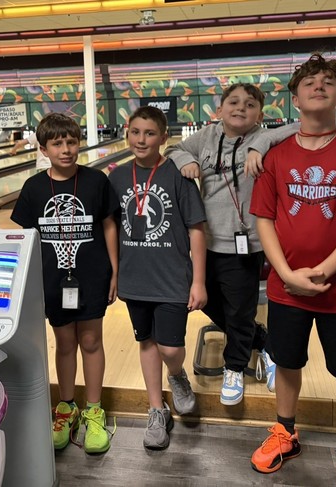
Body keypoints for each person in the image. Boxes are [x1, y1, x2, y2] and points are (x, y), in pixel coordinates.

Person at [249, 52, 336, 486]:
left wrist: (323, 270)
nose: (319, 86)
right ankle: (285, 433)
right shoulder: (276, 155)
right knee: (286, 363)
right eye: (310, 82)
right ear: (295, 99)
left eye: (328, 82)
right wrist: (286, 274)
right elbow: (264, 219)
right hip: (285, 286)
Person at [165, 83, 300, 403]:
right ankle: (265, 342)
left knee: (240, 311)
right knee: (208, 302)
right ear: (220, 109)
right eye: (234, 102)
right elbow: (172, 150)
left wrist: (263, 140)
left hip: (246, 244)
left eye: (250, 104)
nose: (241, 108)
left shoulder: (262, 137)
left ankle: (235, 367)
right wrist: (185, 158)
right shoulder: (208, 136)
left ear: (260, 114)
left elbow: (300, 125)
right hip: (205, 243)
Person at [11, 112, 119, 454]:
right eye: (57, 143)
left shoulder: (96, 181)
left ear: (79, 142)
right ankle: (67, 407)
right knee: (65, 343)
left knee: (91, 340)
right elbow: (25, 237)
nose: (66, 149)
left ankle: (94, 409)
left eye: (71, 141)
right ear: (43, 148)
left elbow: (109, 226)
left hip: (92, 274)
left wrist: (115, 271)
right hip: (52, 279)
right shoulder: (34, 187)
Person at [108, 106, 207, 450]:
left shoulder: (179, 176)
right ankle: (156, 409)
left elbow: (196, 230)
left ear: (164, 138)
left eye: (150, 133)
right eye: (135, 132)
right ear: (127, 133)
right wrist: (115, 274)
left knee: (170, 347)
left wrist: (198, 281)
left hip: (172, 279)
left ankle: (177, 376)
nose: (141, 139)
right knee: (147, 342)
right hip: (135, 280)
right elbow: (110, 229)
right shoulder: (117, 177)